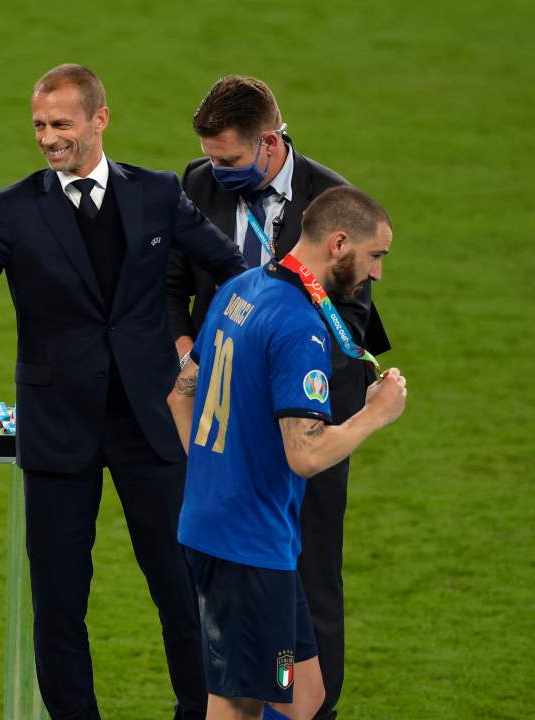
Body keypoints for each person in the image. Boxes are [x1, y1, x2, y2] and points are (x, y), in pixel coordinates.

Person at [0, 64, 246, 720]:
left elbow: (229, 269)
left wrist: (197, 349)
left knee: (181, 588)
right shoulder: (12, 208)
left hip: (152, 425)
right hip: (59, 430)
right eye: (38, 125)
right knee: (60, 604)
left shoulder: (157, 194)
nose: (48, 138)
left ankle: (200, 712)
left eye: (61, 124)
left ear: (99, 120)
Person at [165, 76, 391, 719]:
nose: (377, 275)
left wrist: (214, 458)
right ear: (337, 246)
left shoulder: (241, 295)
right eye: (374, 258)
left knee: (305, 694)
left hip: (233, 516)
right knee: (240, 700)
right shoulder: (295, 321)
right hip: (251, 538)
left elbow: (182, 393)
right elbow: (303, 455)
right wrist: (378, 411)